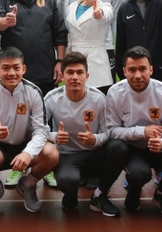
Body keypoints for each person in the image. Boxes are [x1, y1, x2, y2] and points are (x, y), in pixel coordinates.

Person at [0, 47, 60, 214]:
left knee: (52, 153)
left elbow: (41, 131)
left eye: (16, 67)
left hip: (24, 145)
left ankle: (29, 184)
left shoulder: (33, 92)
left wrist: (28, 153)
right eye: (5, 68)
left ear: (24, 69)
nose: (11, 73)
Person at [105, 46, 162, 218]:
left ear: (151, 69)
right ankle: (134, 188)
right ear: (124, 71)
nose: (137, 75)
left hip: (160, 147)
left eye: (142, 69)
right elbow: (112, 131)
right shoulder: (114, 93)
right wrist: (142, 131)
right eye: (132, 70)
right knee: (138, 173)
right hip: (133, 148)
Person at [44, 51, 127, 216]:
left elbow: (109, 132)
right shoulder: (51, 98)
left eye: (79, 72)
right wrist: (54, 136)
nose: (75, 77)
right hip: (67, 155)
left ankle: (99, 195)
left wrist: (94, 139)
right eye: (70, 72)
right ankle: (71, 192)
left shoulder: (99, 98)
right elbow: (38, 128)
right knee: (68, 181)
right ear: (62, 75)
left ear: (87, 76)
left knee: (119, 147)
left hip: (94, 154)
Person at [64, 0, 115, 90]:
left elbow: (105, 15)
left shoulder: (105, 7)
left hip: (96, 61)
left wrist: (99, 14)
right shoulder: (72, 7)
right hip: (73, 58)